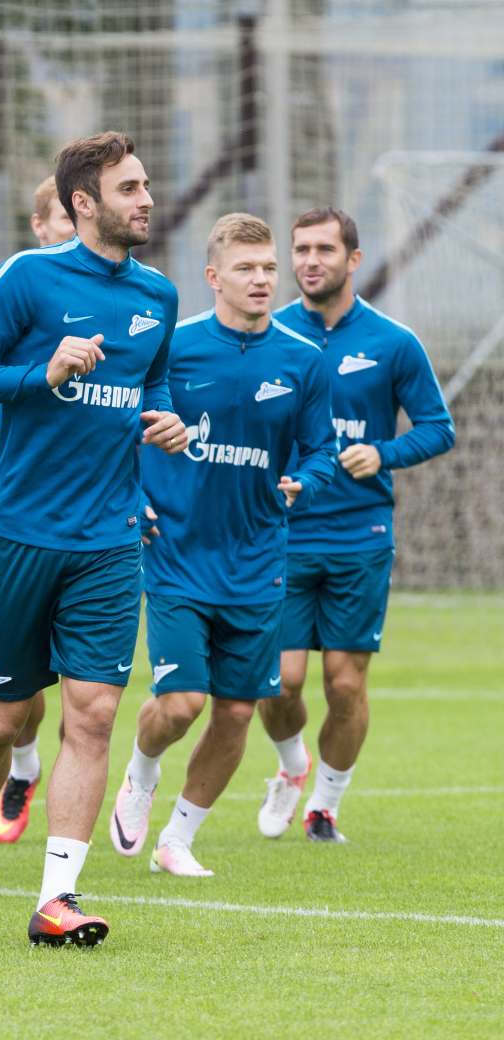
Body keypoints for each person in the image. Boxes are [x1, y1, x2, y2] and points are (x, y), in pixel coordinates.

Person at [0, 131, 185, 946]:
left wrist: (168, 418)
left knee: (95, 712)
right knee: (2, 723)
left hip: (109, 538)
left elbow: (154, 382)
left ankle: (56, 899)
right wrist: (40, 374)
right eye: (129, 188)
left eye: (145, 186)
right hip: (21, 534)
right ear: (83, 202)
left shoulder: (159, 294)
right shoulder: (28, 277)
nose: (146, 200)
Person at [110, 213, 336, 876]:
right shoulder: (173, 348)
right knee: (182, 704)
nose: (261, 279)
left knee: (237, 710)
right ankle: (142, 771)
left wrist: (306, 482)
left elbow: (322, 450)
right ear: (213, 276)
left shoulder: (303, 360)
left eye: (269, 268)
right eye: (246, 268)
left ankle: (177, 841)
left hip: (258, 559)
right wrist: (133, 498)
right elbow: (117, 430)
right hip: (176, 551)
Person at [256, 207, 454, 842]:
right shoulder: (270, 333)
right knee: (278, 683)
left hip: (359, 535)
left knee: (344, 685)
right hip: (283, 532)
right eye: (301, 250)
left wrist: (384, 453)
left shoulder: (394, 342)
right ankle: (292, 765)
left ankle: (324, 807)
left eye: (324, 249)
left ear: (353, 259)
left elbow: (438, 428)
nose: (310, 261)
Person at [0, 174, 75, 847]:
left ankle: (63, 862)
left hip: (96, 524)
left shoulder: (129, 295)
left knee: (84, 698)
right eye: (61, 218)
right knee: (15, 699)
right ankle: (23, 766)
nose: (72, 230)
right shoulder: (20, 285)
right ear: (40, 225)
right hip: (22, 512)